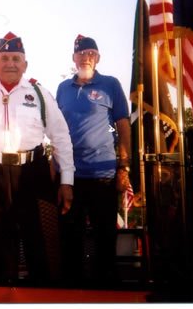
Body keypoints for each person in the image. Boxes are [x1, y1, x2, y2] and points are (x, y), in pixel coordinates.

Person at [0, 31, 75, 283]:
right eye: (4, 58)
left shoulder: (39, 94)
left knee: (39, 246)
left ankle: (40, 296)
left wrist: (66, 182)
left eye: (16, 58)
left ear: (25, 64)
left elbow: (61, 137)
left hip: (32, 174)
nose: (10, 64)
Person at [55, 34, 132, 285]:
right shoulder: (62, 89)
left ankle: (105, 291)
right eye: (81, 53)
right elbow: (56, 129)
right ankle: (71, 292)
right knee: (70, 238)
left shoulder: (110, 84)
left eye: (91, 54)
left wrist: (124, 166)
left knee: (104, 238)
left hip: (103, 176)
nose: (86, 57)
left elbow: (123, 127)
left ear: (98, 58)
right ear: (73, 58)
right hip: (70, 177)